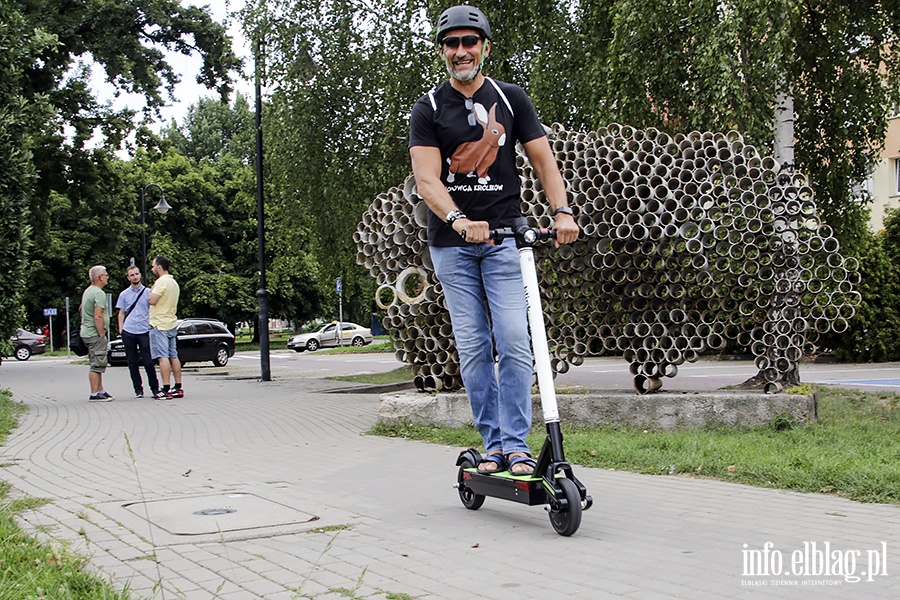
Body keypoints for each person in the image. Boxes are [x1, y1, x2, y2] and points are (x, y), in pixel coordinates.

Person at [409, 5, 579, 476]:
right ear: (443, 50)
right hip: (452, 245)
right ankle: (493, 444)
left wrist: (561, 212)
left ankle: (517, 444)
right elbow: (427, 180)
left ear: (484, 46)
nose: (461, 51)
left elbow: (545, 162)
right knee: (476, 346)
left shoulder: (511, 98)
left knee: (514, 340)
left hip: (506, 239)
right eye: (452, 43)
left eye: (469, 41)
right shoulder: (428, 108)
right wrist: (460, 220)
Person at [115, 265, 160, 398]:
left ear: (140, 275)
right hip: (129, 331)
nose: (135, 277)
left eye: (136, 274)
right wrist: (121, 329)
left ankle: (155, 388)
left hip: (144, 330)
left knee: (148, 361)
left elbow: (153, 309)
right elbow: (121, 313)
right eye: (132, 275)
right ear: (128, 277)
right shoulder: (124, 294)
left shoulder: (148, 293)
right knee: (132, 362)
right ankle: (138, 389)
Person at [148, 256, 183, 400]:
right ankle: (178, 387)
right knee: (173, 355)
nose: (152, 269)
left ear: (159, 267)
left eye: (153, 266)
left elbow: (152, 300)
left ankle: (166, 388)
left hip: (159, 323)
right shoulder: (173, 283)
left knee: (163, 357)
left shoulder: (160, 282)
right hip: (171, 322)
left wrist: (151, 292)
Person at [80, 265, 114, 401]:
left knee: (98, 361)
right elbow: (98, 316)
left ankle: (100, 389)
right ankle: (94, 392)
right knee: (96, 363)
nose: (107, 277)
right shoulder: (98, 293)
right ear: (100, 277)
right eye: (105, 275)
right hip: (94, 334)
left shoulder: (88, 291)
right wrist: (101, 334)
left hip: (87, 332)